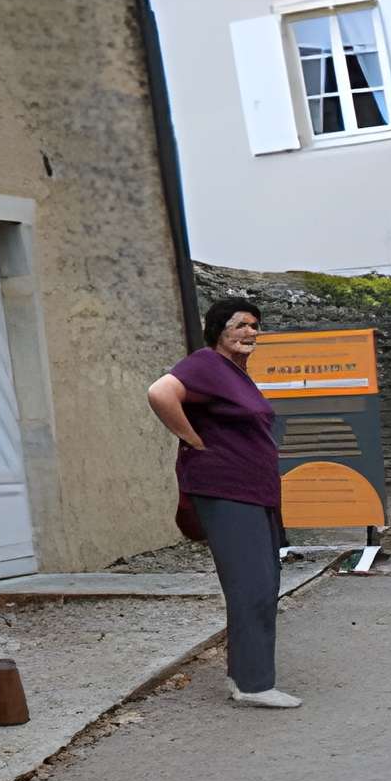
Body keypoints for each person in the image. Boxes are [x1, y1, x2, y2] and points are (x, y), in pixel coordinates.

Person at [145, 300, 298, 709]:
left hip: (252, 493)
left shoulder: (234, 373)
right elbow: (160, 393)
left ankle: (245, 675)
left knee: (263, 584)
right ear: (219, 329)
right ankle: (254, 685)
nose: (250, 332)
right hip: (228, 493)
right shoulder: (205, 364)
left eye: (254, 326)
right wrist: (194, 440)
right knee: (252, 585)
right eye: (240, 325)